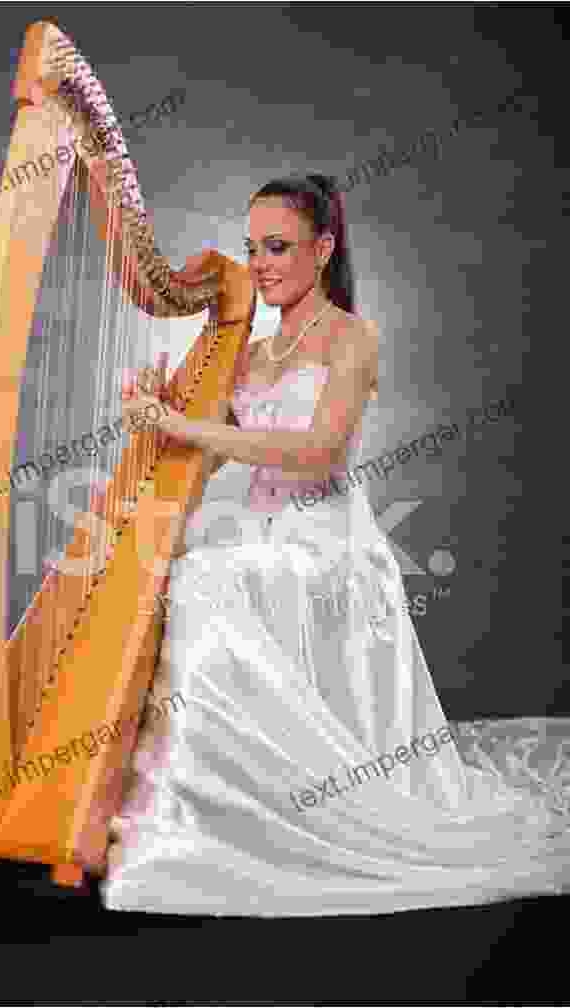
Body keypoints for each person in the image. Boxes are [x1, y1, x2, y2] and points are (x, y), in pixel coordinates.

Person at [102, 173, 570, 915]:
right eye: (252, 248)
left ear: (323, 249)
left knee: (207, 582)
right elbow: (215, 458)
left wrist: (185, 424)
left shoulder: (354, 339)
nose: (260, 264)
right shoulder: (249, 354)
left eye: (278, 247)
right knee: (188, 570)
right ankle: (196, 802)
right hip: (252, 525)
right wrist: (150, 413)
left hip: (323, 533)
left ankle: (230, 815)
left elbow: (315, 453)